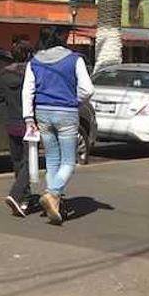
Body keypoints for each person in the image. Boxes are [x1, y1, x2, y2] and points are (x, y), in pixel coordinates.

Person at [21, 26, 94, 224]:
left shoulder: (34, 61)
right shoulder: (74, 59)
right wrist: (74, 100)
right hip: (67, 113)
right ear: (62, 39)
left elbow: (27, 91)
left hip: (42, 113)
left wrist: (29, 118)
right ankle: (53, 194)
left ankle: (53, 200)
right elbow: (87, 89)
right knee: (69, 161)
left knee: (52, 159)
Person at [0, 40, 35, 217]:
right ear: (28, 55)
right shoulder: (32, 74)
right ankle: (16, 194)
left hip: (11, 123)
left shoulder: (3, 74)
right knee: (30, 161)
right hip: (29, 122)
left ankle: (24, 199)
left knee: (18, 161)